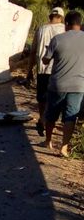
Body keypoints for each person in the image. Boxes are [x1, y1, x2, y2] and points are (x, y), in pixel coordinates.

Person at [42, 10, 84, 158]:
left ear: (66, 24)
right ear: (80, 24)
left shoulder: (57, 39)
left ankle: (48, 141)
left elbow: (45, 60)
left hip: (57, 84)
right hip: (78, 86)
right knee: (71, 116)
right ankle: (64, 147)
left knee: (51, 115)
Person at [26, 7, 65, 136]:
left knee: (42, 98)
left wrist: (29, 71)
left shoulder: (41, 29)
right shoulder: (65, 30)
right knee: (54, 99)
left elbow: (33, 52)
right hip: (59, 70)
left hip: (43, 69)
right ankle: (49, 122)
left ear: (50, 16)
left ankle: (42, 119)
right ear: (61, 18)